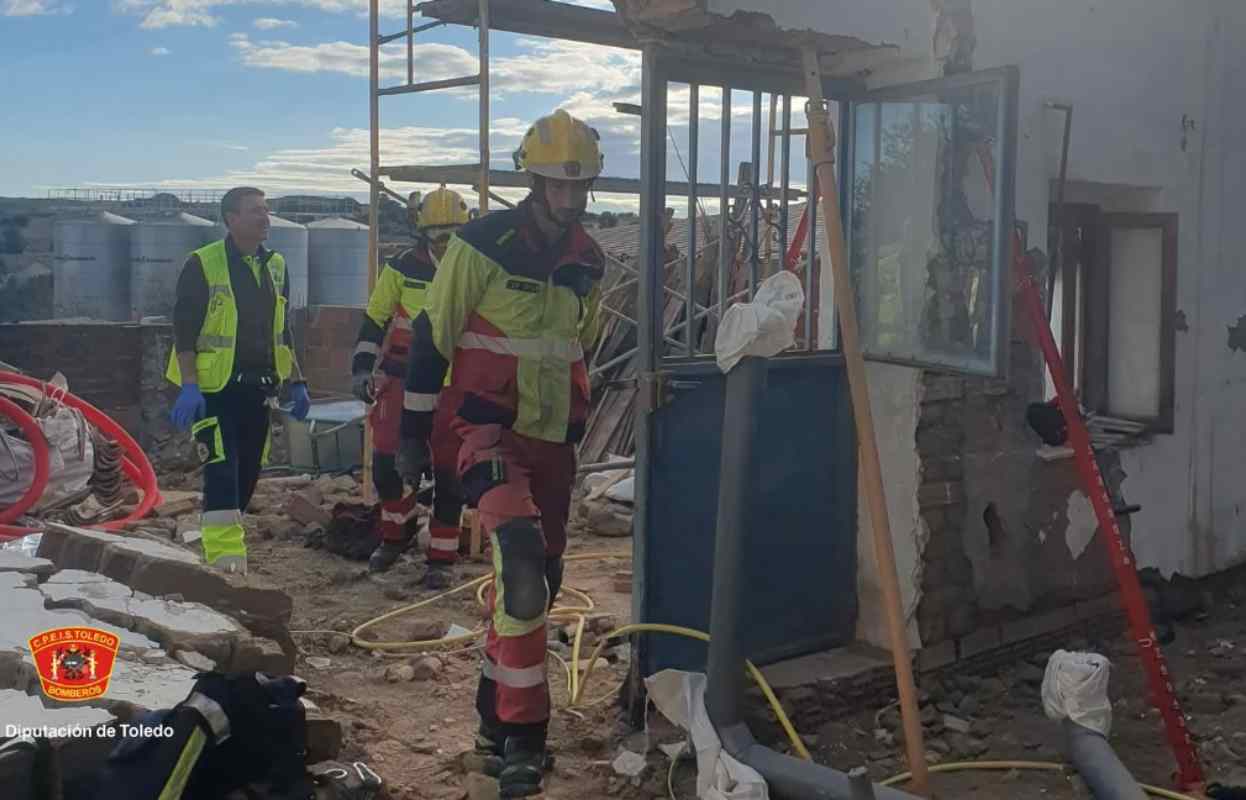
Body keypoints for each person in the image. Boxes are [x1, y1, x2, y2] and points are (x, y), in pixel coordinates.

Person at [399, 109, 606, 798]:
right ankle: (526, 739)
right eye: (555, 185)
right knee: (518, 569)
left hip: (554, 447)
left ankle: (493, 717)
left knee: (537, 588)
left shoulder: (587, 261)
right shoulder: (482, 245)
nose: (568, 199)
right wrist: (412, 437)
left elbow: (578, 348)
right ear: (534, 180)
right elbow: (434, 338)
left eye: (578, 188)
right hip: (485, 434)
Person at [167, 186, 311, 575]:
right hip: (214, 390)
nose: (265, 219)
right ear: (231, 218)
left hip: (258, 388)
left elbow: (284, 330)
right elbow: (184, 330)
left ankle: (223, 540)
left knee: (247, 473)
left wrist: (296, 380)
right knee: (222, 467)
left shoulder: (277, 265)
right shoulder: (203, 263)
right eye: (255, 212)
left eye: (266, 211)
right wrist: (189, 385)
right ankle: (225, 562)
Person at [350, 185, 470, 579]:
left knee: (450, 474)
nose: (445, 243)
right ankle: (395, 535)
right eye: (438, 235)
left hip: (454, 387)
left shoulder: (476, 272)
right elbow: (375, 319)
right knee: (387, 465)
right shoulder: (401, 268)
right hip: (401, 382)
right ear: (423, 234)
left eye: (453, 234)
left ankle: (440, 558)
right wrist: (363, 368)